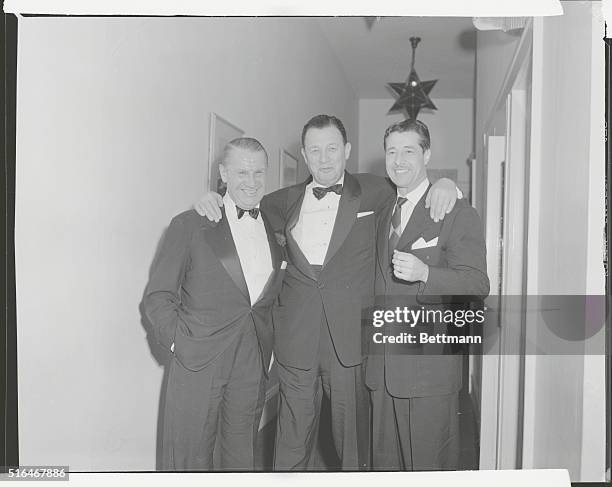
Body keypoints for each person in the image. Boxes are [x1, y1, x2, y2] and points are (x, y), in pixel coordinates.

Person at [194, 115, 461, 470]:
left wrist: (447, 184)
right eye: (315, 150)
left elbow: (413, 184)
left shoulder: (375, 191)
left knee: (353, 451)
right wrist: (211, 197)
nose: (324, 159)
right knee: (290, 446)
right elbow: (239, 210)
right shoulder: (279, 202)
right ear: (304, 155)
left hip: (350, 346)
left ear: (347, 151)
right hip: (296, 342)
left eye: (332, 148)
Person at [143, 137, 286, 470]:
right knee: (189, 461)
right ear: (223, 172)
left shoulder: (276, 226)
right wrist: (181, 342)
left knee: (241, 459)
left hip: (252, 364)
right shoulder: (190, 223)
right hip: (198, 361)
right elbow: (158, 296)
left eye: (258, 173)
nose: (251, 182)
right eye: (241, 172)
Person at [364, 119, 490, 470]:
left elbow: (477, 284)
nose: (398, 160)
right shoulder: (382, 212)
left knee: (429, 471)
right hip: (382, 372)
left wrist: (426, 274)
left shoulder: (456, 212)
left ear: (427, 154)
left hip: (428, 375)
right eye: (391, 151)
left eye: (409, 151)